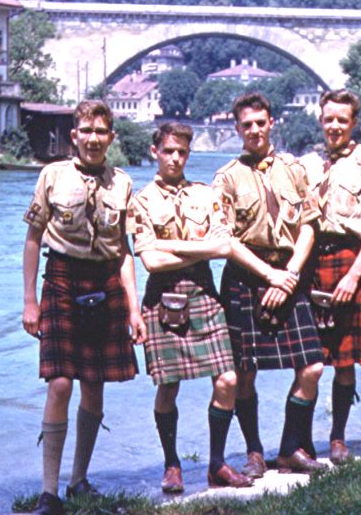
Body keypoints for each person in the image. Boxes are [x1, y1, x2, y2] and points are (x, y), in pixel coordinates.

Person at [22, 100, 146, 515]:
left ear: (111, 137)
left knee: (94, 384)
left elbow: (125, 252)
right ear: (74, 135)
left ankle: (79, 481)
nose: (94, 139)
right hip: (60, 280)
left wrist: (134, 307)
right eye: (86, 131)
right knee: (59, 383)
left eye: (101, 132)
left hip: (106, 283)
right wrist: (30, 302)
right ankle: (49, 492)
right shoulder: (51, 176)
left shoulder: (123, 183)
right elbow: (33, 239)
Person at [129, 122, 265, 492]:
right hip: (163, 297)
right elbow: (151, 264)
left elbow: (222, 248)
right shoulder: (141, 200)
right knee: (168, 385)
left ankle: (216, 464)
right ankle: (172, 464)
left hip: (204, 293)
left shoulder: (206, 195)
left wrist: (168, 246)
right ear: (155, 151)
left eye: (182, 152)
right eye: (169, 150)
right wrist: (195, 248)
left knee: (228, 379)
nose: (175, 158)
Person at [213, 92, 327, 476]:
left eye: (260, 122)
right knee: (245, 371)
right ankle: (254, 452)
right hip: (246, 278)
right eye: (247, 125)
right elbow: (226, 240)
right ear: (237, 129)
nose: (254, 130)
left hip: (289, 272)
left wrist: (290, 273)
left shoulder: (294, 170)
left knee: (312, 366)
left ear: (271, 122)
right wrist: (269, 276)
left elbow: (310, 225)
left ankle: (290, 448)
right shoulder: (226, 177)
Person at [299, 89, 361, 465]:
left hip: (350, 261)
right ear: (320, 120)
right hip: (312, 263)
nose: (334, 126)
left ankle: (338, 437)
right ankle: (301, 440)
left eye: (342, 120)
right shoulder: (305, 165)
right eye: (328, 119)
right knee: (309, 358)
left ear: (353, 123)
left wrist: (356, 274)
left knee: (345, 358)